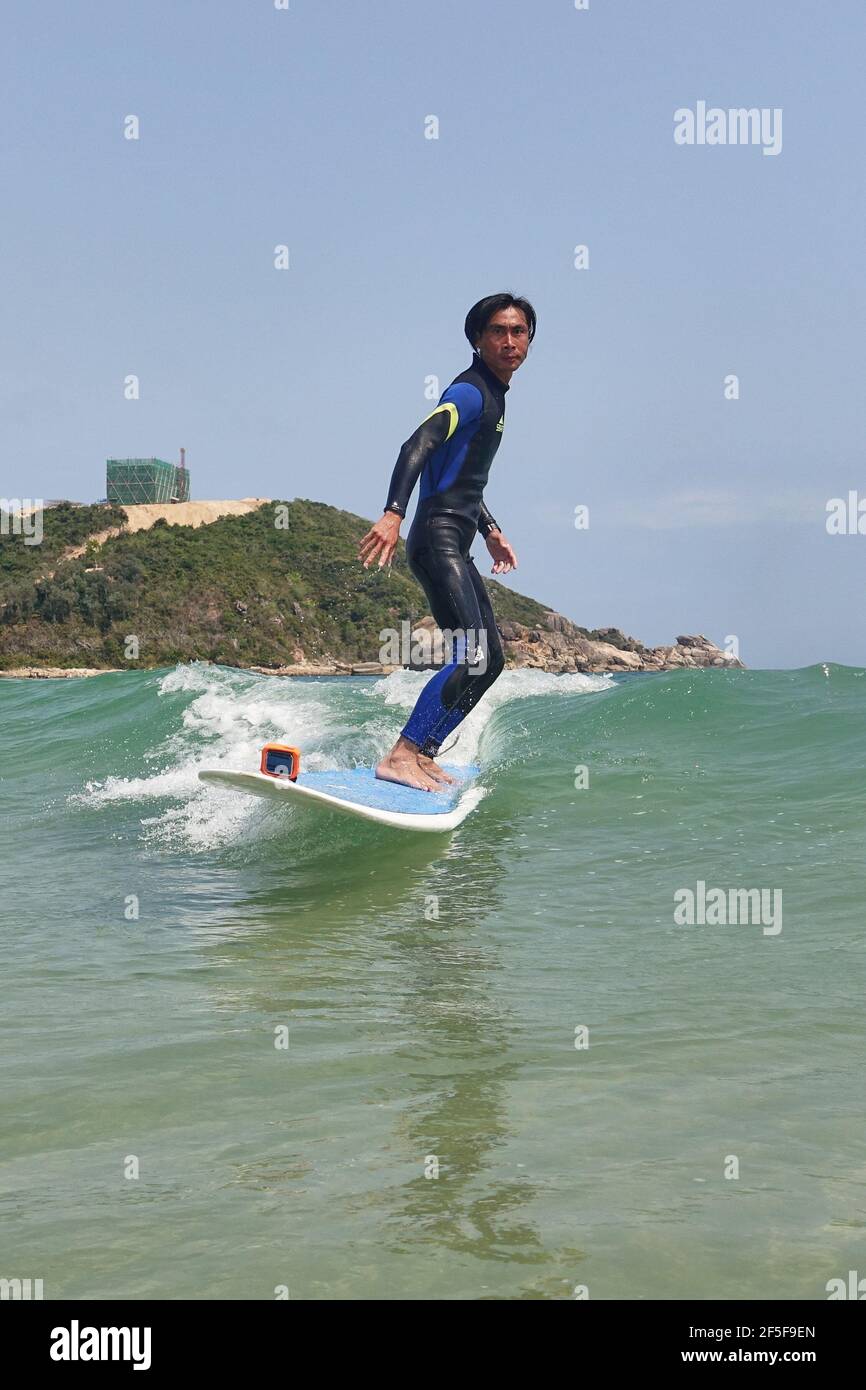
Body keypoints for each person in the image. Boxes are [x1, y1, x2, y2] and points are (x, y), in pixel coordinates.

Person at [358, 292, 536, 791]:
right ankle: (402, 754)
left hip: (455, 539)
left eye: (517, 332)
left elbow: (462, 480)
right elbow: (417, 444)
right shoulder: (471, 393)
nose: (508, 341)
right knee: (473, 652)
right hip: (435, 538)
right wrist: (393, 512)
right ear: (477, 339)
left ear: (529, 340)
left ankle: (424, 751)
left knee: (489, 659)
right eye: (497, 331)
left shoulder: (495, 395)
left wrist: (491, 531)